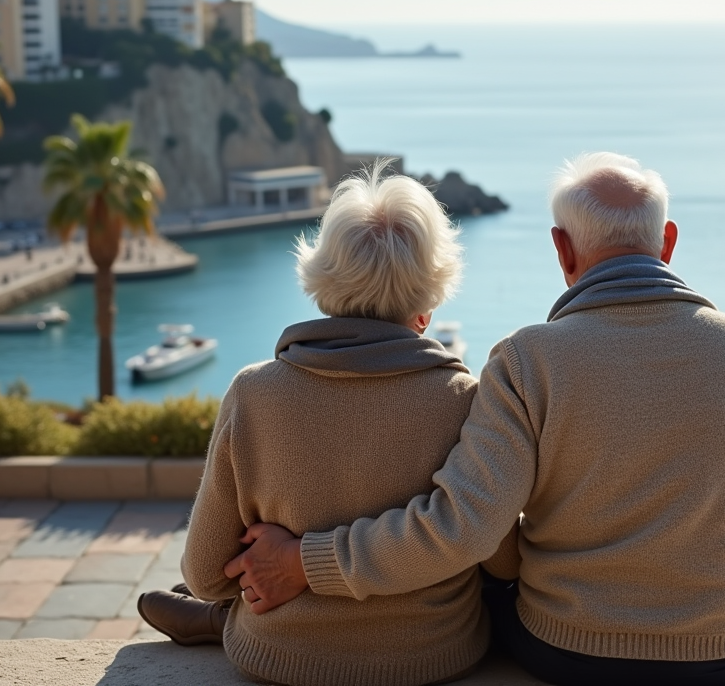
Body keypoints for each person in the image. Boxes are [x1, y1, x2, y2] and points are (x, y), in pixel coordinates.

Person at [230, 152, 725, 686]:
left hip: (565, 650)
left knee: (489, 594)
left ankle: (224, 620)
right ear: (667, 243)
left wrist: (307, 563)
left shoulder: (526, 359)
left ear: (563, 250)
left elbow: (474, 539)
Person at [136, 165, 499, 686]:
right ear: (427, 305)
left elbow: (205, 574)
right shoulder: (464, 400)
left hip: (279, 654)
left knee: (205, 595)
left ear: (321, 284)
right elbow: (500, 557)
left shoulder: (253, 392)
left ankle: (214, 623)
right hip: (434, 655)